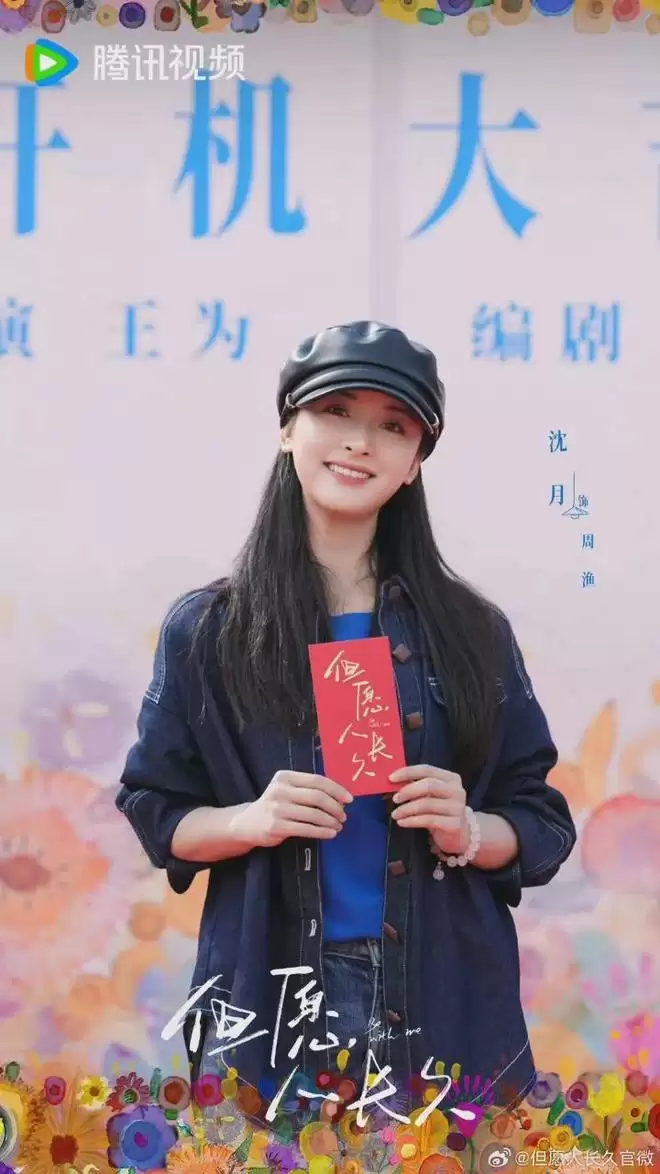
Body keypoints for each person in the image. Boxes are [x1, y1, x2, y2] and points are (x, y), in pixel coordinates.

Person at [116, 321, 576, 1120]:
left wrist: (469, 828)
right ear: (287, 428)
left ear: (416, 461)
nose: (361, 442)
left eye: (393, 426)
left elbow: (542, 822)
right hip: (270, 996)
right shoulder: (209, 631)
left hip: (442, 998)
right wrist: (250, 820)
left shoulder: (472, 632)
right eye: (335, 412)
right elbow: (155, 808)